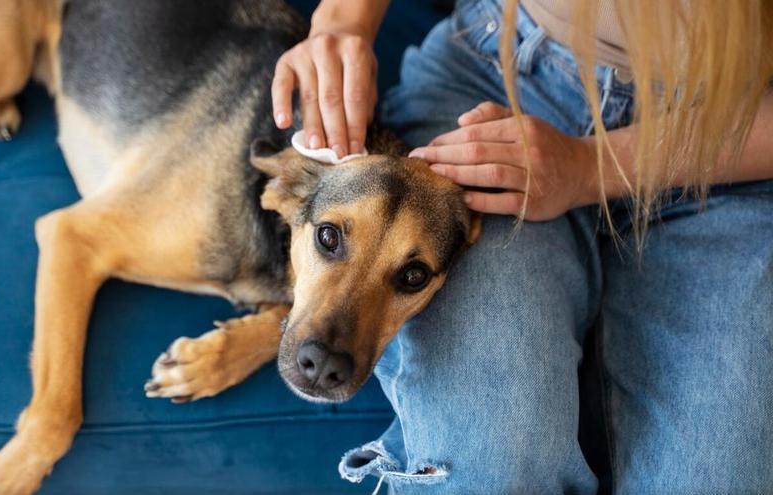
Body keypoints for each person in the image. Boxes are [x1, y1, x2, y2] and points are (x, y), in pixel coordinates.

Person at [273, 0, 773, 493]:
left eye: (410, 277)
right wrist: (343, 19)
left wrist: (588, 167)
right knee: (488, 467)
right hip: (498, 77)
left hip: (730, 136)